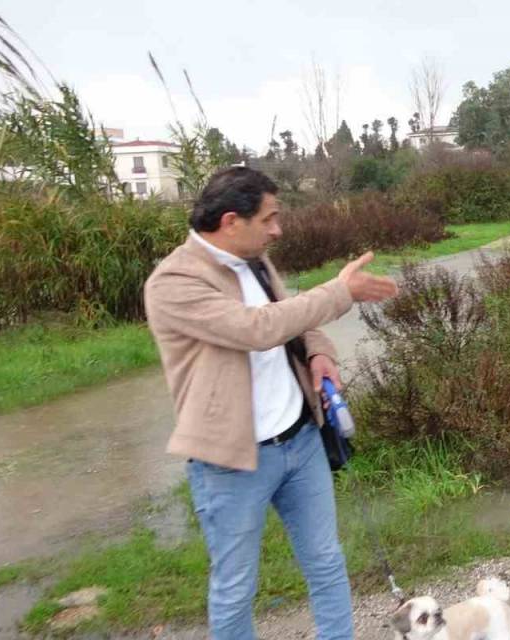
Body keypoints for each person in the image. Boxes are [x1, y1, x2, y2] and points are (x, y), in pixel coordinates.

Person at [144, 166, 398, 639]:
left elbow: (291, 316)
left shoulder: (257, 261)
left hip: (301, 442)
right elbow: (256, 330)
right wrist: (341, 292)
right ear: (230, 221)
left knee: (326, 561)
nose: (278, 230)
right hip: (231, 461)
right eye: (270, 219)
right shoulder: (173, 282)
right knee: (236, 587)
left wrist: (320, 352)